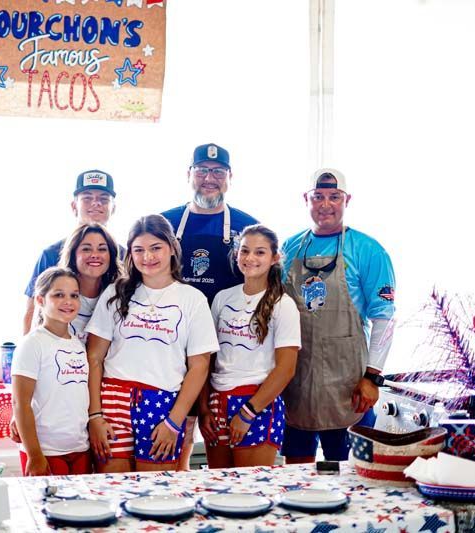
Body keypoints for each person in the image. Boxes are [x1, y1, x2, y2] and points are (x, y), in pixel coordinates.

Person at [85, 214, 219, 473]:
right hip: (112, 402)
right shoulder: (115, 293)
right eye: (139, 250)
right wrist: (94, 416)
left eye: (155, 248)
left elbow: (200, 366)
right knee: (113, 491)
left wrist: (174, 422)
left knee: (156, 495)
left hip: (162, 405)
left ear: (171, 247)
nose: (147, 257)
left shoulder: (193, 299)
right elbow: (94, 358)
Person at [280, 168, 395, 463]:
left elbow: (384, 318)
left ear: (348, 200)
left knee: (352, 476)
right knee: (296, 474)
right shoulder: (290, 247)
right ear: (306, 199)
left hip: (349, 385)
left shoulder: (369, 250)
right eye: (318, 196)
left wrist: (373, 377)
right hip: (297, 381)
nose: (325, 204)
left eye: (334, 197)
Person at [161, 142, 259, 470]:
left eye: (218, 172)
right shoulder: (165, 222)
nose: (209, 178)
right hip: (175, 342)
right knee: (181, 428)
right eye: (202, 170)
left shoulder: (248, 226)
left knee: (220, 429)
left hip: (231, 343)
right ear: (188, 174)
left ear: (230, 177)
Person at [9, 223, 122, 444]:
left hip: (104, 400)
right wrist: (19, 410)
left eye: (102, 249)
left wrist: (96, 414)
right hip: (57, 408)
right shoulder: (56, 295)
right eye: (86, 249)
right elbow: (29, 360)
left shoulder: (118, 295)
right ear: (73, 253)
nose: (95, 255)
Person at [199, 225, 299, 468]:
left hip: (257, 405)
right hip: (217, 402)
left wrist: (247, 414)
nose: (250, 258)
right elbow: (207, 359)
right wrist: (204, 409)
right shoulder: (223, 298)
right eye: (245, 251)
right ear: (236, 254)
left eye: (260, 252)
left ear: (275, 258)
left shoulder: (282, 305)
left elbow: (286, 369)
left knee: (250, 492)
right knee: (219, 491)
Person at [11, 267, 91, 476]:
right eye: (58, 295)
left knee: (81, 508)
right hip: (45, 451)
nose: (68, 301)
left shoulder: (79, 345)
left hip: (80, 448)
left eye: (74, 295)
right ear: (40, 300)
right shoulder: (32, 343)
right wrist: (35, 455)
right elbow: (21, 403)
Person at [22, 169, 119, 334]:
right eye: (87, 198)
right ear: (74, 206)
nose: (96, 203)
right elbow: (32, 311)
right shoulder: (51, 254)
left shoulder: (124, 255)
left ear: (113, 208)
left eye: (103, 199)